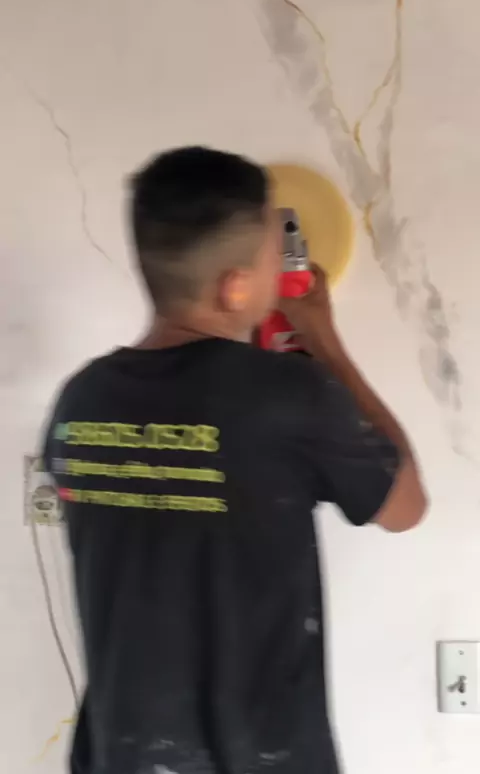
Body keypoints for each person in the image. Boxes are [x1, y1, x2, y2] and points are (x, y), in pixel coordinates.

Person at [42, 146, 427, 774]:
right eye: (274, 252)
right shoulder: (289, 396)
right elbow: (405, 506)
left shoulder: (79, 401)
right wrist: (322, 336)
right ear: (235, 286)